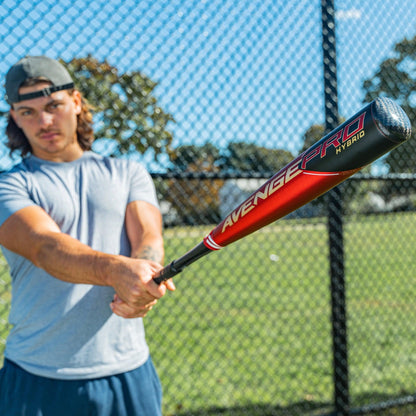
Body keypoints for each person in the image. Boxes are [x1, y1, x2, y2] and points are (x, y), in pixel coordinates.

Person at [0, 55, 175, 416]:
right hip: (36, 375)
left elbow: (148, 237)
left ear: (76, 102)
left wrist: (144, 279)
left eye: (53, 106)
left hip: (127, 369)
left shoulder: (129, 172)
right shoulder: (10, 184)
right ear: (14, 117)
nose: (44, 122)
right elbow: (46, 247)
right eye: (28, 112)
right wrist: (115, 271)